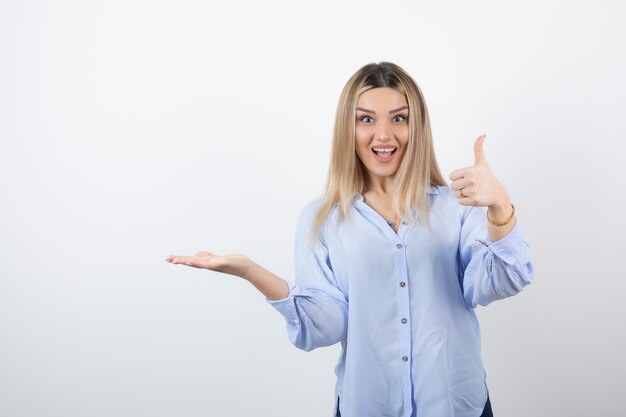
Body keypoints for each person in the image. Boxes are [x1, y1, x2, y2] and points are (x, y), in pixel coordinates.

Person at [165, 62, 534, 417]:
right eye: (366, 119)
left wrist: (500, 207)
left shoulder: (459, 205)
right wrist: (251, 271)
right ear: (349, 127)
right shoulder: (322, 219)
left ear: (416, 126)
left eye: (399, 118)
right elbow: (327, 323)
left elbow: (494, 284)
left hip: (455, 405)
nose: (384, 134)